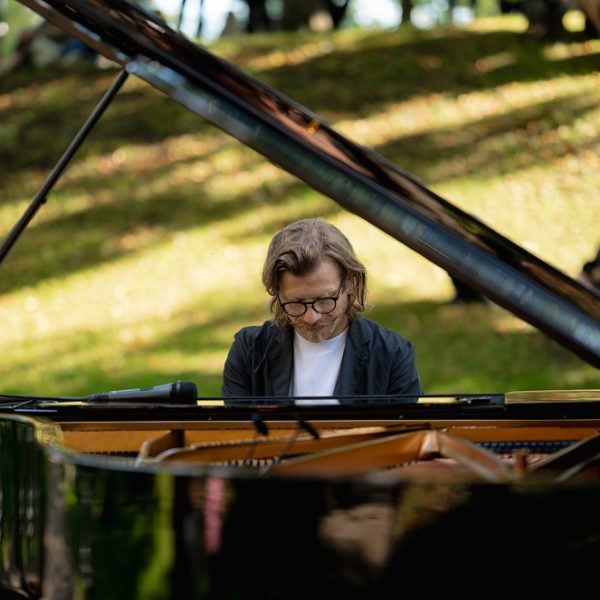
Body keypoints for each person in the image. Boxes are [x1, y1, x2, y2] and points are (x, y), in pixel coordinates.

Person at [221, 218, 423, 403]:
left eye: (325, 300)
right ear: (277, 293)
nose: (311, 317)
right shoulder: (250, 351)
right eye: (295, 303)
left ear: (350, 282)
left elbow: (405, 430)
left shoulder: (392, 354)